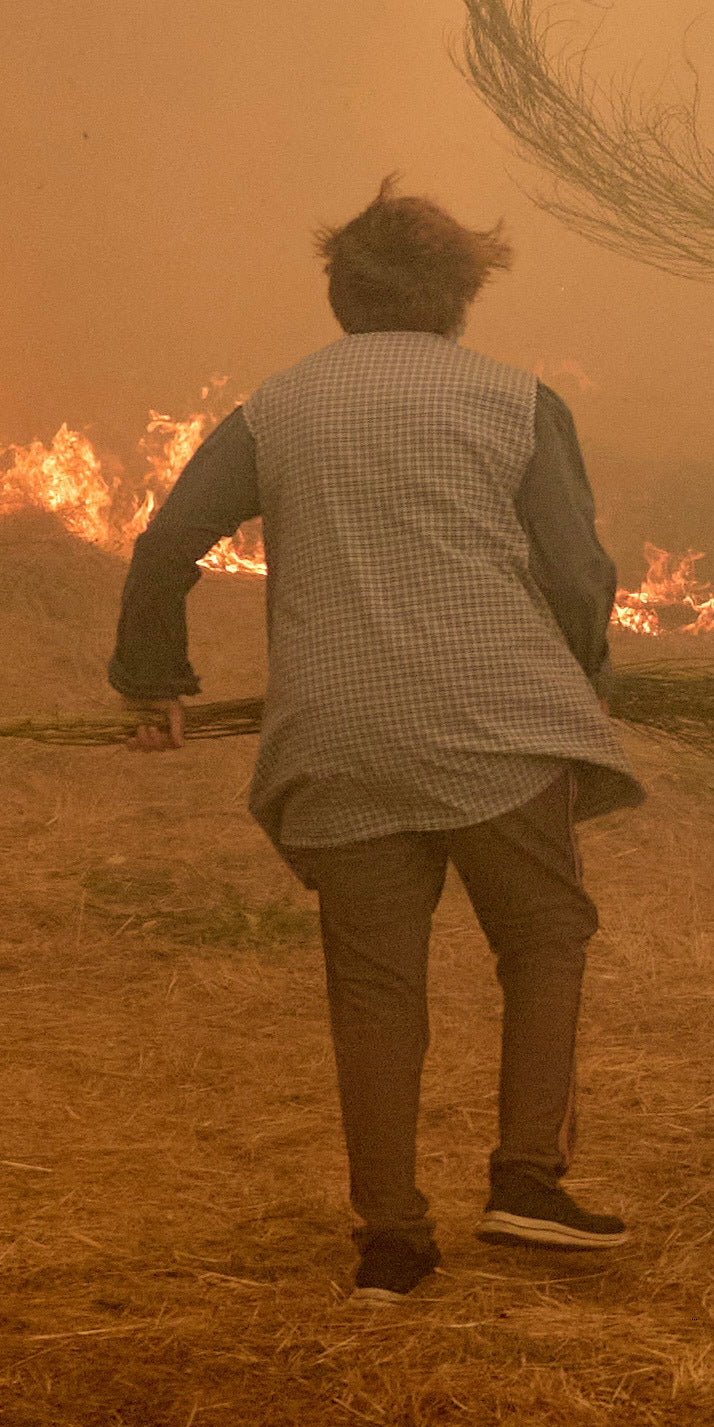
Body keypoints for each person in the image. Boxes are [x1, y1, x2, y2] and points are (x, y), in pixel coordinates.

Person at [112, 182, 641, 1300]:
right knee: (544, 936)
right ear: (461, 295)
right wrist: (585, 677)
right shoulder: (518, 402)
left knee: (374, 990)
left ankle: (391, 1240)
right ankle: (526, 1180)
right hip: (501, 730)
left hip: (338, 735)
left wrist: (152, 679)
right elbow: (577, 574)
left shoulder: (276, 409)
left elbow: (165, 546)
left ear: (340, 294)